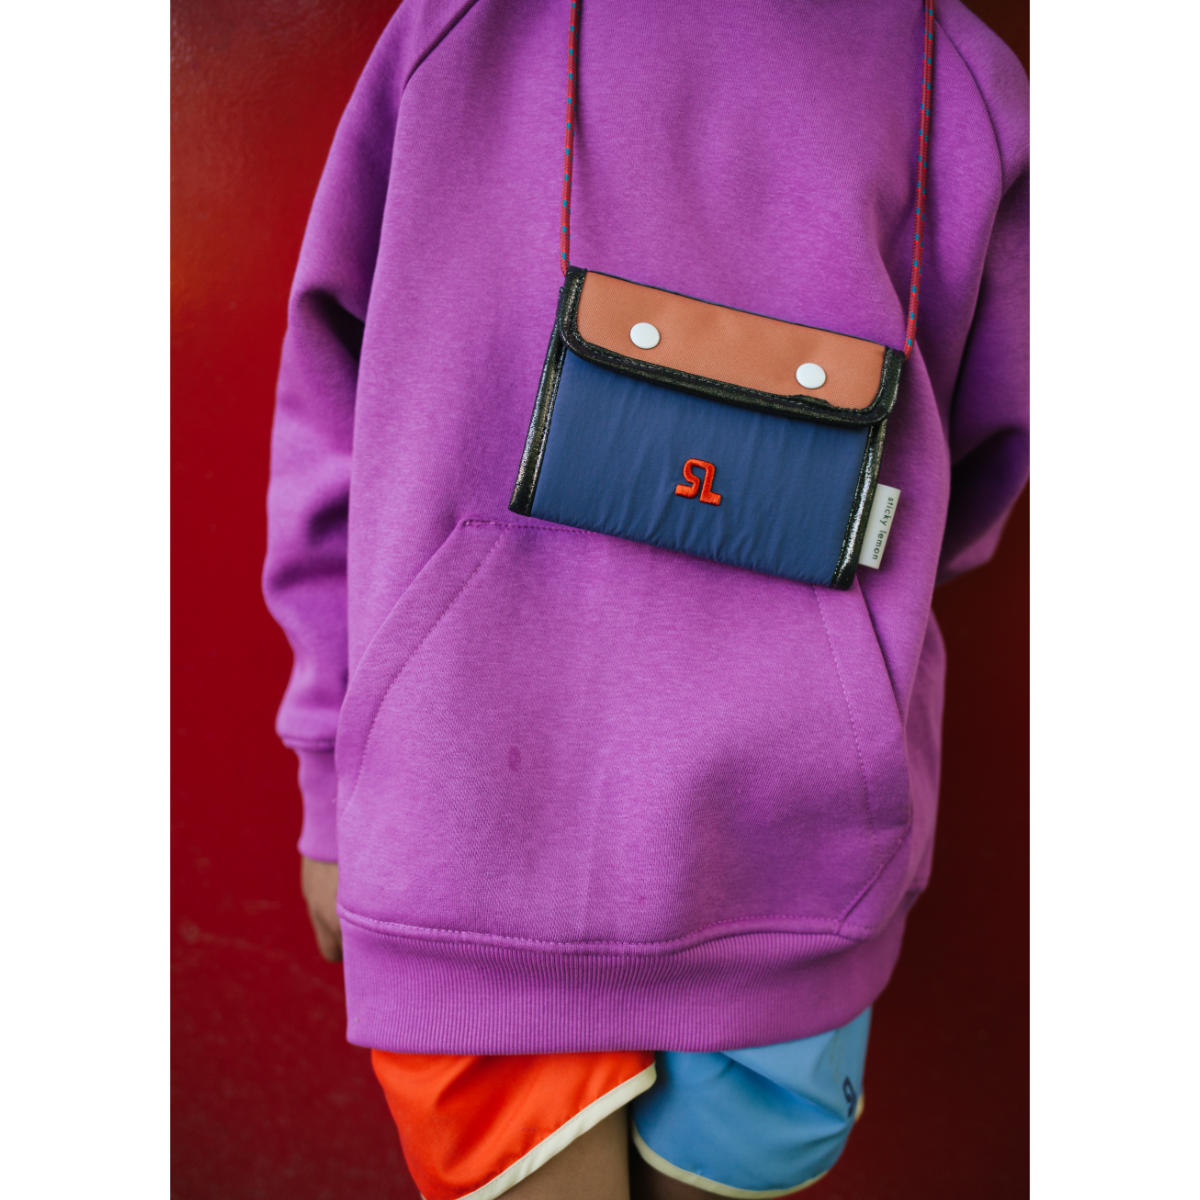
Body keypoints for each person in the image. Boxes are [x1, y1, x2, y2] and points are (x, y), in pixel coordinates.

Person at [263, 0, 1029, 1195]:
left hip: (777, 879)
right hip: (487, 851)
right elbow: (330, 407)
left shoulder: (964, 88)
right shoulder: (459, 32)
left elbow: (982, 465)